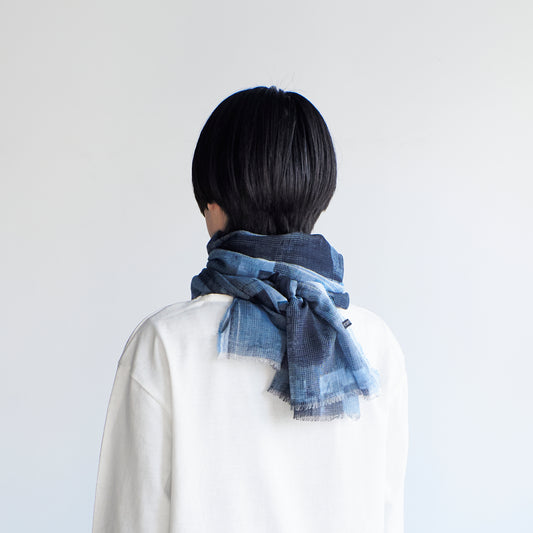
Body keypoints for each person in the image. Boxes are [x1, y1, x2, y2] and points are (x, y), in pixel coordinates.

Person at [91, 86, 409, 532]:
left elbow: (129, 521)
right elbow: (387, 516)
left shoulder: (166, 344)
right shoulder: (372, 344)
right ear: (319, 195)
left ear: (213, 205)